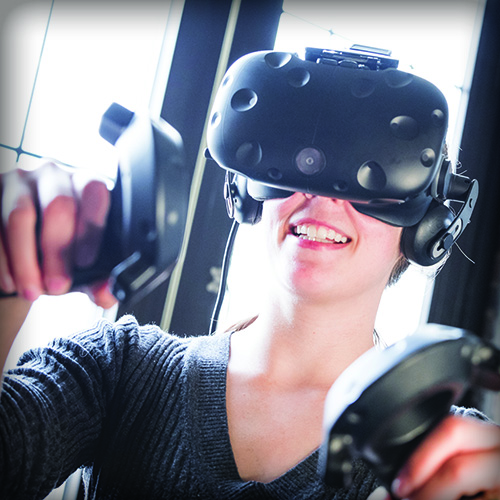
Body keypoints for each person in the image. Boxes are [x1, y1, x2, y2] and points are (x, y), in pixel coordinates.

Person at [1, 93, 500, 500]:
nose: (325, 196)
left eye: (372, 174)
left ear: (427, 224)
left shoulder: (455, 455)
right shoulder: (116, 368)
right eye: (304, 161)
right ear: (247, 186)